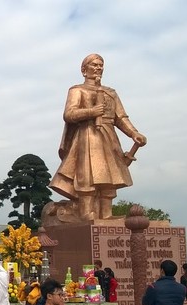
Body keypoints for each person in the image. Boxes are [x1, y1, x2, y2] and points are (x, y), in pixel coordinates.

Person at [49, 54, 147, 220]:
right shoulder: (77, 90)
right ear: (84, 69)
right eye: (94, 65)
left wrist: (133, 133)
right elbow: (69, 114)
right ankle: (87, 212)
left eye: (101, 65)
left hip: (108, 136)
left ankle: (106, 214)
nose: (98, 68)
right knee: (87, 174)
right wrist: (91, 112)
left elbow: (121, 118)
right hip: (87, 134)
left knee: (109, 175)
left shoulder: (111, 93)